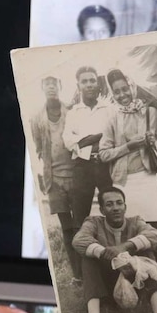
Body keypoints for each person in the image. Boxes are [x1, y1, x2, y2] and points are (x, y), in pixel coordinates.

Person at [72, 186, 157, 313]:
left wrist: (125, 247)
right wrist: (109, 256)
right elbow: (78, 240)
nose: (116, 208)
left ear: (125, 206)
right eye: (109, 204)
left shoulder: (135, 221)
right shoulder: (94, 222)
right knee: (88, 259)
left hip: (135, 281)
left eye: (119, 203)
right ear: (102, 210)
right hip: (106, 285)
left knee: (146, 253)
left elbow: (155, 235)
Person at [98, 69, 157, 230]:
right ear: (113, 94)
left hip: (148, 177)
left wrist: (154, 143)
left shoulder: (151, 113)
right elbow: (103, 154)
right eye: (116, 92)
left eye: (125, 89)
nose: (122, 95)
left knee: (153, 229)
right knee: (129, 229)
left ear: (132, 87)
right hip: (124, 182)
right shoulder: (112, 119)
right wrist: (128, 147)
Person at [30, 76, 83, 280]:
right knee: (67, 228)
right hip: (54, 181)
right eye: (47, 84)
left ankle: (87, 272)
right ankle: (77, 275)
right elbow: (38, 147)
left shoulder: (71, 110)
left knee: (80, 226)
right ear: (42, 89)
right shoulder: (36, 118)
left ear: (60, 87)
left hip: (76, 177)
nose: (51, 87)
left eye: (54, 84)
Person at [62, 66, 112, 224]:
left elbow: (113, 136)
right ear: (78, 86)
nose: (89, 84)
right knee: (80, 214)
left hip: (106, 165)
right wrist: (95, 137)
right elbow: (68, 140)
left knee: (112, 209)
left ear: (98, 84)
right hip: (82, 166)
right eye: (84, 81)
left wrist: (83, 140)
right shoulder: (73, 113)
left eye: (92, 80)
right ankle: (82, 247)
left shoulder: (109, 109)